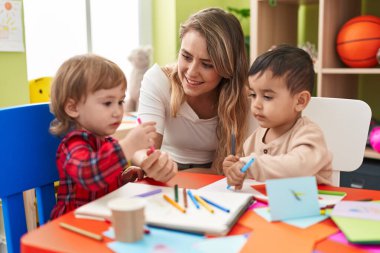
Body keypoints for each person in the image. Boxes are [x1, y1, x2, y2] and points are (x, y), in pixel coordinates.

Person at [49, 54, 177, 218]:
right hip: (72, 225)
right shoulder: (73, 144)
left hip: (100, 219)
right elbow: (89, 175)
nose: (117, 111)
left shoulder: (107, 142)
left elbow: (103, 181)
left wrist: (121, 178)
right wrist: (129, 145)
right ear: (73, 108)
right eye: (108, 103)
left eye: (120, 101)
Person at [137, 8, 251, 173]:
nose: (191, 72)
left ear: (227, 68)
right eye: (186, 57)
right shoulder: (158, 80)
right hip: (168, 171)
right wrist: (147, 162)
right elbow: (145, 147)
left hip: (215, 177)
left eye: (207, 64)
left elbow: (243, 164)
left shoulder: (243, 97)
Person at [223, 45, 333, 189]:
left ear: (300, 101)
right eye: (253, 95)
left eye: (267, 97)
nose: (256, 105)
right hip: (269, 205)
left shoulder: (309, 134)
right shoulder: (254, 138)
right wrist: (236, 170)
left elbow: (298, 167)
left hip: (314, 205)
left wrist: (251, 165)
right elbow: (250, 170)